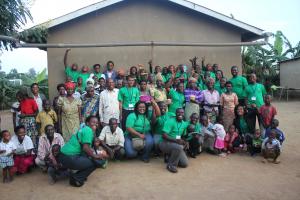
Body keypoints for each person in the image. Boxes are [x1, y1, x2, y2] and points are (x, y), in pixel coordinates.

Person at [58, 116, 108, 187]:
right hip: (69, 157)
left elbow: (86, 149)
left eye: (97, 123)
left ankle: (78, 175)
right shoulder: (88, 130)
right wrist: (96, 156)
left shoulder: (84, 129)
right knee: (96, 162)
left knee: (91, 158)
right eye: (93, 122)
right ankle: (76, 178)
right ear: (87, 123)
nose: (95, 124)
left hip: (63, 156)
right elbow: (86, 148)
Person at [159, 108, 188, 173]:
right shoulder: (170, 121)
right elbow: (164, 135)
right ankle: (171, 165)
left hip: (175, 144)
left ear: (184, 114)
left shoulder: (184, 124)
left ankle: (169, 157)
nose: (180, 114)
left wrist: (185, 142)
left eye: (182, 113)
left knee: (184, 164)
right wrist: (176, 140)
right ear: (175, 113)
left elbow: (183, 136)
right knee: (179, 147)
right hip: (164, 143)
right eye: (178, 112)